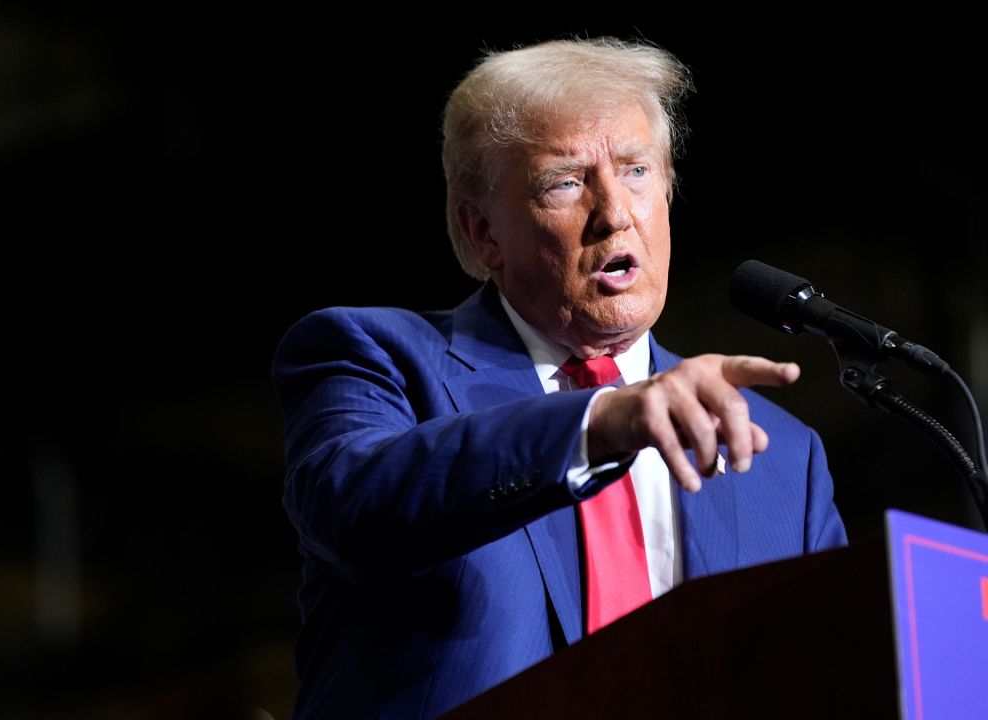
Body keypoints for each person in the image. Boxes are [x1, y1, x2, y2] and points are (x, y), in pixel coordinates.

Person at [271, 36, 847, 719]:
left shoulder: (783, 458)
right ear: (483, 232)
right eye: (567, 182)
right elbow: (349, 505)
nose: (615, 213)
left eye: (636, 171)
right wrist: (597, 422)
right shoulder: (379, 357)